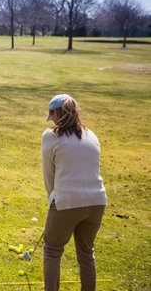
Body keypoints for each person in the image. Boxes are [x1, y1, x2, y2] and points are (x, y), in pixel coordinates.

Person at [41, 94, 107, 291]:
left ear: (56, 112)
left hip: (67, 202)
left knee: (52, 250)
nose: (51, 120)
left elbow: (49, 175)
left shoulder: (50, 136)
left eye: (51, 115)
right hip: (97, 202)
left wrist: (52, 200)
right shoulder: (92, 135)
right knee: (86, 253)